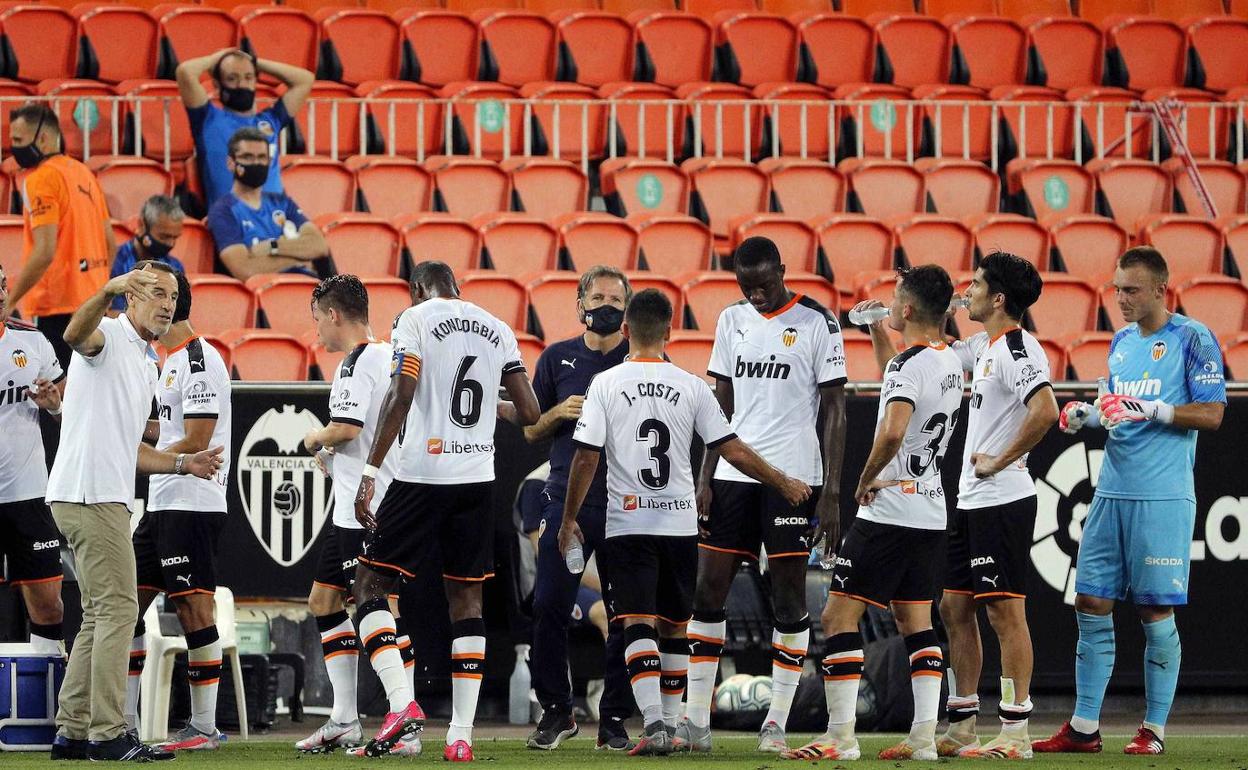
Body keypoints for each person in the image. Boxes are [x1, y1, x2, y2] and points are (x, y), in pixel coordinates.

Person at [557, 289, 812, 756]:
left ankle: (654, 722)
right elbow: (731, 447)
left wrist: (568, 519)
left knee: (637, 621)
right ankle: (672, 726)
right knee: (676, 626)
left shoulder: (606, 384)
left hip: (629, 521)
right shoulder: (692, 385)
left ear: (627, 331)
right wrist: (781, 481)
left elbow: (585, 458)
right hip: (679, 526)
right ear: (670, 331)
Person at [1034, 246, 1225, 757]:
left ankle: (1154, 729)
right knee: (1091, 602)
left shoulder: (1193, 338)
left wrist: (1153, 407)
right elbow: (1119, 412)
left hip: (1161, 496)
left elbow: (1211, 415)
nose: (1120, 297)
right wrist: (1089, 417)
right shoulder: (1119, 342)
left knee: (1154, 608)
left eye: (1132, 290)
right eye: (1117, 287)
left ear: (1161, 289)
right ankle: (1083, 727)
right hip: (1109, 492)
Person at [350, 261, 540, 761]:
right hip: (477, 482)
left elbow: (403, 392)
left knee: (369, 587)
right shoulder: (498, 328)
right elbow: (530, 413)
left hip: (421, 476)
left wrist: (370, 474)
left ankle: (401, 704)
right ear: (459, 288)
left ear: (417, 290)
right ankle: (461, 736)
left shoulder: (412, 320)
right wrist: (487, 410)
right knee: (468, 604)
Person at [783, 265, 963, 763]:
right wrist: (873, 330)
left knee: (838, 613)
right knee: (916, 621)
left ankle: (840, 737)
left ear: (907, 309)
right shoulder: (947, 359)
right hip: (928, 508)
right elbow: (898, 372)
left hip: (890, 507)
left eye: (894, 299)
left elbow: (891, 429)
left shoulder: (911, 368)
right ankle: (925, 736)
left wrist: (863, 480)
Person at [44, 262, 223, 762]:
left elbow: (133, 451)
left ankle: (72, 732)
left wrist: (184, 463)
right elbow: (74, 333)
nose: (167, 303)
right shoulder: (110, 338)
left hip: (95, 493)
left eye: (172, 295)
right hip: (90, 494)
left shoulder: (147, 360)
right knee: (121, 609)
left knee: (101, 614)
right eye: (155, 292)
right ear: (132, 297)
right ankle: (108, 734)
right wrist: (107, 288)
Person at [683, 236, 847, 753]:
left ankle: (776, 720)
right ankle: (695, 721)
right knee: (708, 592)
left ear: (782, 270)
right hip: (733, 476)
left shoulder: (820, 322)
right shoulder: (731, 320)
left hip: (795, 479)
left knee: (789, 598)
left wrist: (832, 492)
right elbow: (720, 403)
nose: (755, 295)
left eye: (763, 285)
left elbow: (836, 411)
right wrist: (704, 475)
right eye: (745, 287)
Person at [935, 252, 1059, 759]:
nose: (970, 291)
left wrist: (1002, 460)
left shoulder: (1016, 349)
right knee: (954, 606)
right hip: (970, 500)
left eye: (977, 284)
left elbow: (1046, 409)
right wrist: (930, 298)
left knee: (1005, 614)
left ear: (1000, 298)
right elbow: (939, 345)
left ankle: (1015, 729)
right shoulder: (985, 347)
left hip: (1002, 499)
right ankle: (963, 720)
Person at [295, 275, 420, 757]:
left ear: (333, 315)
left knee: (378, 607)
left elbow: (346, 428)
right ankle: (345, 719)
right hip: (373, 498)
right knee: (324, 601)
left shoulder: (354, 361)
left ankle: (403, 718)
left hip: (364, 508)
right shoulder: (390, 354)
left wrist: (314, 439)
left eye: (317, 320)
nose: (317, 334)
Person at [523, 265, 634, 751]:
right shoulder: (556, 358)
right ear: (580, 303)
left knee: (626, 611)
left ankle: (613, 718)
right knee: (548, 602)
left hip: (626, 498)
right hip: (566, 493)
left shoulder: (641, 359)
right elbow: (529, 430)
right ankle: (556, 710)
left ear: (627, 311)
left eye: (616, 299)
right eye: (599, 297)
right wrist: (555, 413)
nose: (606, 305)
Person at [121, 270, 232, 751]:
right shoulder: (165, 362)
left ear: (172, 304)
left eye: (151, 295)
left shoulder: (200, 359)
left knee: (193, 607)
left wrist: (139, 457)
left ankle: (204, 728)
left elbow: (198, 442)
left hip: (192, 503)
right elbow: (165, 435)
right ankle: (123, 720)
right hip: (162, 503)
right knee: (126, 607)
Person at [1, 103, 114, 368]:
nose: (13, 148)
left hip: (57, 308)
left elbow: (44, 251)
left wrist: (12, 300)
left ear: (42, 137)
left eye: (18, 140)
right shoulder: (84, 172)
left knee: (59, 398)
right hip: (94, 303)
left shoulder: (41, 179)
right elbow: (110, 244)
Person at [0, 263, 67, 654]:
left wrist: (55, 407)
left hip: (28, 495)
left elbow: (63, 409)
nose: (1, 295)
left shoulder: (34, 342)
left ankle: (48, 708)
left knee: (48, 605)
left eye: (3, 285)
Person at [177, 47, 314, 209]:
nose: (242, 84)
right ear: (217, 85)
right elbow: (185, 72)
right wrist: (218, 58)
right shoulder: (207, 118)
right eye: (232, 78)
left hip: (276, 219)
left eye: (248, 78)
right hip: (232, 220)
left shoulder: (271, 120)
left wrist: (253, 62)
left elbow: (305, 80)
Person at [205, 127, 329, 281]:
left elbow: (319, 246)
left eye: (262, 157)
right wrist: (299, 257)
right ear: (231, 163)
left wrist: (273, 248)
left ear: (269, 162)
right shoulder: (223, 210)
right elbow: (245, 270)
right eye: (248, 157)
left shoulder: (282, 202)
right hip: (266, 295)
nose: (256, 163)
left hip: (307, 287)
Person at [108, 196, 186, 314]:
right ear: (142, 225)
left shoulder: (175, 267)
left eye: (175, 237)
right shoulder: (116, 262)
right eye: (164, 236)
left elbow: (180, 319)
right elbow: (113, 315)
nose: (170, 243)